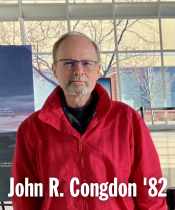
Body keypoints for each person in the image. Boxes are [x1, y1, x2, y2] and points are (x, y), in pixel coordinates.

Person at [11, 32, 167, 210]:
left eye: (87, 63)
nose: (78, 71)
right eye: (68, 63)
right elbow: (25, 197)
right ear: (54, 69)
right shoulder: (32, 129)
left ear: (98, 69)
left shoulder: (128, 120)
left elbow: (150, 188)